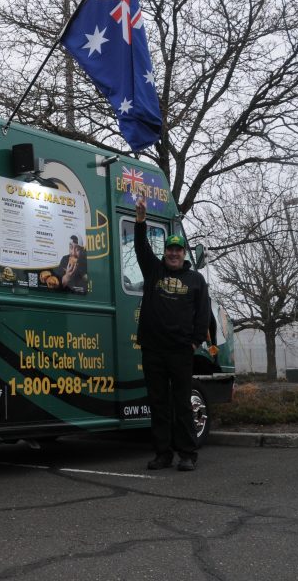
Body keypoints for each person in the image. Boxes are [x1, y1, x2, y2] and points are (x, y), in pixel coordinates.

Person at [134, 196, 210, 472]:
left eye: (178, 251)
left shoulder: (195, 280)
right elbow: (140, 247)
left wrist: (194, 342)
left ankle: (187, 454)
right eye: (170, 250)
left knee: (181, 403)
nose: (174, 254)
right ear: (165, 253)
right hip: (153, 350)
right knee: (158, 403)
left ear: (184, 254)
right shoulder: (154, 271)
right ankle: (162, 454)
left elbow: (203, 314)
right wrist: (140, 220)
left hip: (180, 351)